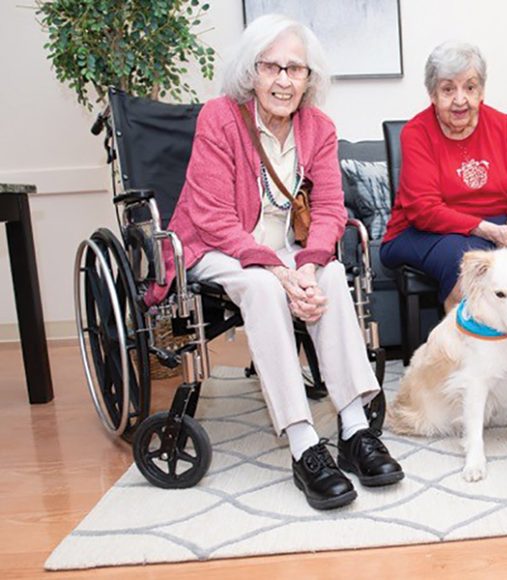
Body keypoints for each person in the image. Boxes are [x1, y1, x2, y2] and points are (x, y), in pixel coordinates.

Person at [148, 14, 403, 510]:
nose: (284, 81)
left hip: (289, 251)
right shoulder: (219, 117)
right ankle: (305, 442)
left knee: (331, 273)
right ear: (252, 71)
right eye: (272, 68)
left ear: (309, 79)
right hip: (216, 246)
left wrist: (306, 266)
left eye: (296, 70)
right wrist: (279, 271)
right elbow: (213, 216)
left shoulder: (319, 128)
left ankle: (353, 430)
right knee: (264, 288)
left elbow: (330, 210)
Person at [380, 42, 507, 312]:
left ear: (482, 90)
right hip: (422, 232)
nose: (460, 99)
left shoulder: (502, 125)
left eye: (470, 87)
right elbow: (424, 210)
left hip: (496, 225)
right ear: (432, 93)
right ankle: (465, 350)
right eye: (447, 89)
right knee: (465, 260)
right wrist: (488, 230)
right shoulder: (416, 133)